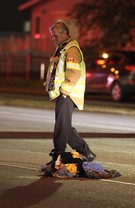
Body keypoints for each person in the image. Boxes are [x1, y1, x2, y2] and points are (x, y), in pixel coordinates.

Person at [44, 20, 96, 168]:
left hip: (68, 94)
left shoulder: (71, 49)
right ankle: (85, 152)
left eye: (55, 36)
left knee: (61, 126)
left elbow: (74, 72)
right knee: (65, 125)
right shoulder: (62, 48)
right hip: (63, 94)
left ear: (64, 33)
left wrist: (65, 90)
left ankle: (58, 156)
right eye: (52, 36)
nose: (53, 39)